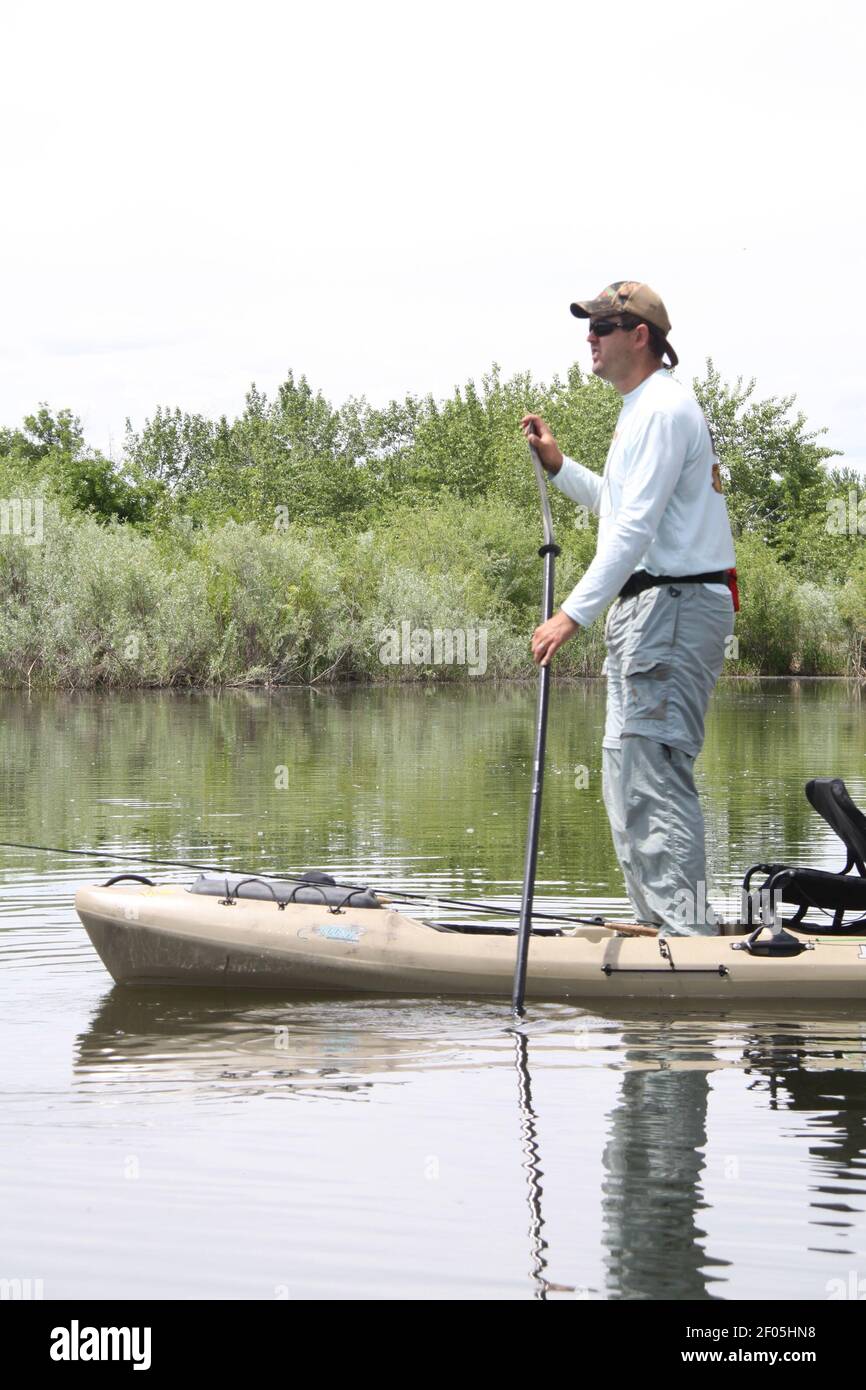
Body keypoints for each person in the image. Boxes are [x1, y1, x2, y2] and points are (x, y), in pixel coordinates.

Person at [520, 281, 737, 934]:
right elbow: (621, 507)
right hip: (648, 611)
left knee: (653, 772)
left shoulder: (664, 410)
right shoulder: (642, 411)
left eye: (602, 326)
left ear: (639, 336)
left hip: (671, 607)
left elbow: (634, 529)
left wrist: (571, 614)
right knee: (624, 775)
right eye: (589, 326)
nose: (590, 337)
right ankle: (662, 930)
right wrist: (559, 465)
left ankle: (687, 940)